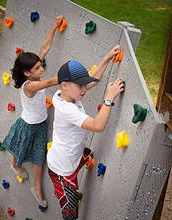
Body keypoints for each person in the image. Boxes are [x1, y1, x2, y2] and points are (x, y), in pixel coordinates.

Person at [47, 45, 125, 220]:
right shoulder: (67, 109)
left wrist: (107, 58)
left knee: (87, 153)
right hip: (62, 171)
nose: (85, 88)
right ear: (65, 85)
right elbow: (98, 126)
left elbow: (93, 79)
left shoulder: (64, 93)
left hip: (68, 157)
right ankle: (67, 195)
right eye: (80, 85)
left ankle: (69, 193)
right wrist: (109, 98)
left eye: (84, 84)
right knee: (71, 214)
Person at [2, 15, 64, 208]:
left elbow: (44, 48)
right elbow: (48, 82)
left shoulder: (33, 72)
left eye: (40, 65)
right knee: (20, 149)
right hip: (28, 125)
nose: (41, 68)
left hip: (40, 124)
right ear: (27, 73)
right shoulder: (29, 85)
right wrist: (70, 72)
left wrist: (54, 25)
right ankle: (15, 165)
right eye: (37, 68)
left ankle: (37, 188)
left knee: (38, 157)